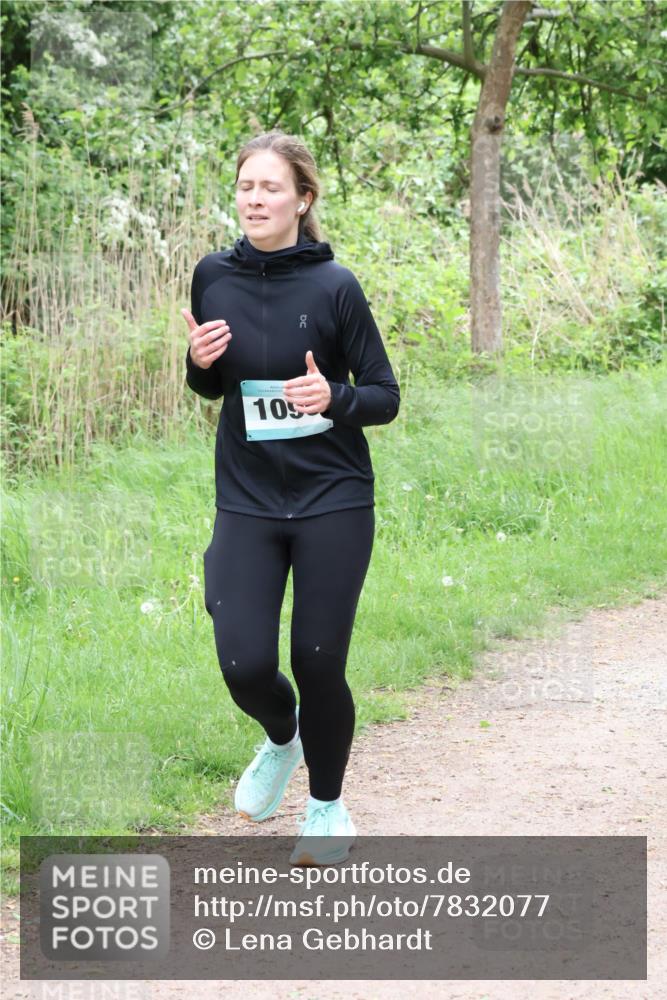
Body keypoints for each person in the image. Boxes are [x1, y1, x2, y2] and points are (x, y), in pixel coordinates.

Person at [181, 129, 400, 866]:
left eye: (270, 187)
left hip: (332, 497)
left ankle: (327, 810)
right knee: (243, 662)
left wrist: (332, 395)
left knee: (315, 658)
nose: (254, 198)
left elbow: (383, 396)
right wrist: (198, 365)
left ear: (302, 200)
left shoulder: (334, 287)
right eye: (246, 185)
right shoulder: (211, 275)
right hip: (246, 498)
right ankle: (283, 739)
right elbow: (217, 387)